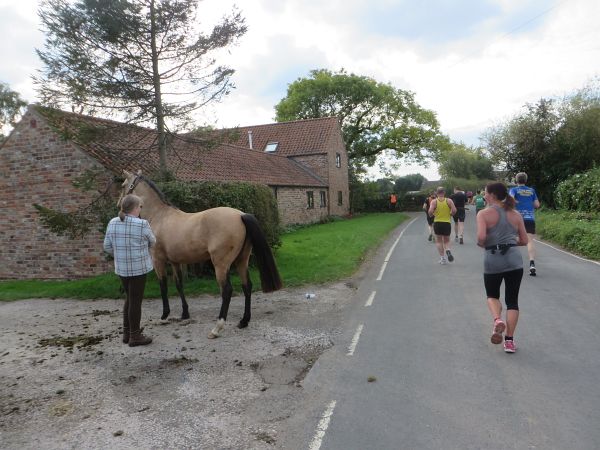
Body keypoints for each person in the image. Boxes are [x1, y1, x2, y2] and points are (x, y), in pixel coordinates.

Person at [476, 182, 528, 353]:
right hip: (514, 259)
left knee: (492, 295)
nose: (484, 195)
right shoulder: (515, 214)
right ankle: (510, 341)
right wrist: (511, 243)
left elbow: (481, 237)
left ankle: (497, 320)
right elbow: (524, 240)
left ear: (492, 195)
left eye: (485, 193)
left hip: (493, 259)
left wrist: (482, 243)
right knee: (512, 301)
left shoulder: (484, 214)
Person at [104, 194, 156, 347]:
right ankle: (135, 336)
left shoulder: (113, 222)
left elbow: (107, 246)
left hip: (122, 269)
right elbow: (153, 241)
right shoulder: (142, 224)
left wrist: (120, 255)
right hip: (139, 269)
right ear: (135, 208)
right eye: (140, 206)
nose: (141, 209)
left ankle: (127, 333)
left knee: (129, 298)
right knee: (135, 301)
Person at [509, 172, 541, 276]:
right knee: (530, 241)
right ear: (526, 180)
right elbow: (537, 205)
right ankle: (532, 264)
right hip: (529, 218)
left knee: (512, 239)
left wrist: (517, 202)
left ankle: (513, 264)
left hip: (517, 218)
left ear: (516, 180)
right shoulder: (531, 190)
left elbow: (510, 200)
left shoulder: (513, 190)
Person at [428, 187, 457, 264]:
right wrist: (451, 214)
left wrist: (431, 215)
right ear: (444, 193)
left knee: (439, 241)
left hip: (437, 223)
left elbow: (430, 211)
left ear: (436, 193)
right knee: (446, 241)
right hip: (447, 223)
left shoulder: (434, 201)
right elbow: (454, 210)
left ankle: (443, 259)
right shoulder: (449, 201)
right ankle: (448, 250)